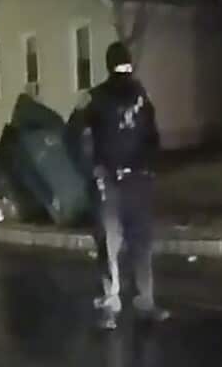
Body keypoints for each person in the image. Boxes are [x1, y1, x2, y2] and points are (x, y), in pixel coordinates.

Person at [76, 41, 169, 330]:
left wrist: (150, 168)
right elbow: (77, 135)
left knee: (136, 245)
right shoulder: (97, 99)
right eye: (122, 66)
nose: (125, 71)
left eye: (127, 66)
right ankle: (112, 304)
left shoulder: (139, 96)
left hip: (135, 182)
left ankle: (143, 302)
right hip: (113, 183)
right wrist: (94, 170)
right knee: (111, 244)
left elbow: (152, 135)